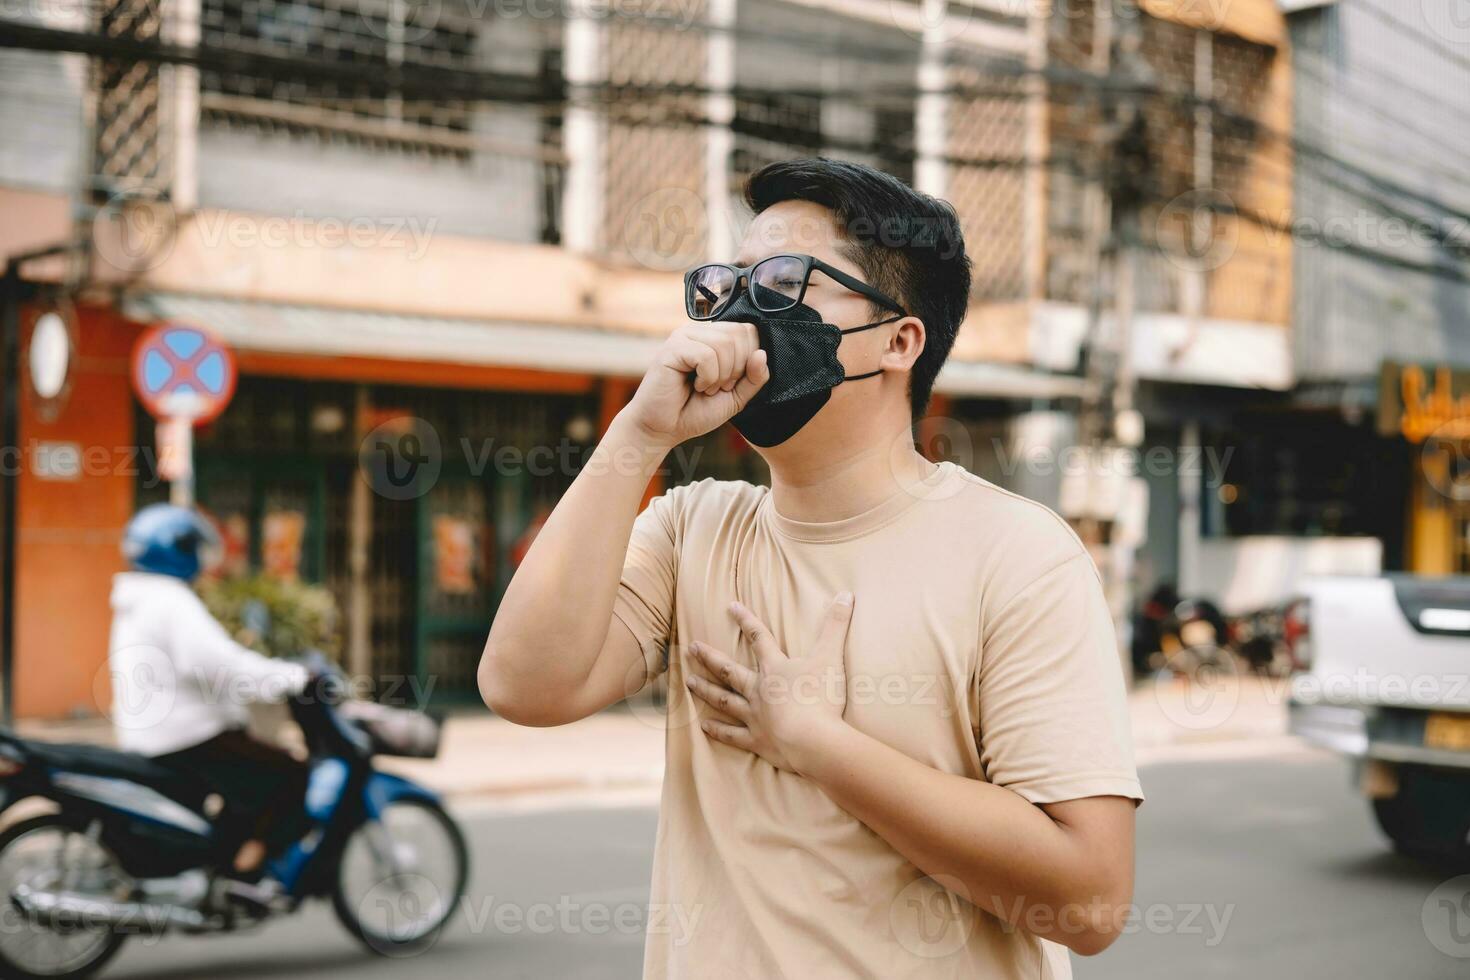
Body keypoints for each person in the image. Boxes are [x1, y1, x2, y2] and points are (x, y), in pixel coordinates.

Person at [479, 158, 1143, 977]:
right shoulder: (693, 529)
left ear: (899, 341)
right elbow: (524, 685)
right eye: (730, 284)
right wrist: (638, 437)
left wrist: (817, 746)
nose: (742, 314)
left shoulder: (1019, 554)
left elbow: (1088, 900)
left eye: (788, 280)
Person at [109, 503, 311, 877]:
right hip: (186, 735)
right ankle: (244, 862)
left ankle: (223, 860)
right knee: (289, 771)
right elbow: (216, 664)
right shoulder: (169, 599)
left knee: (247, 774)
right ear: (177, 549)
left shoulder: (136, 598)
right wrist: (290, 678)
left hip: (154, 732)